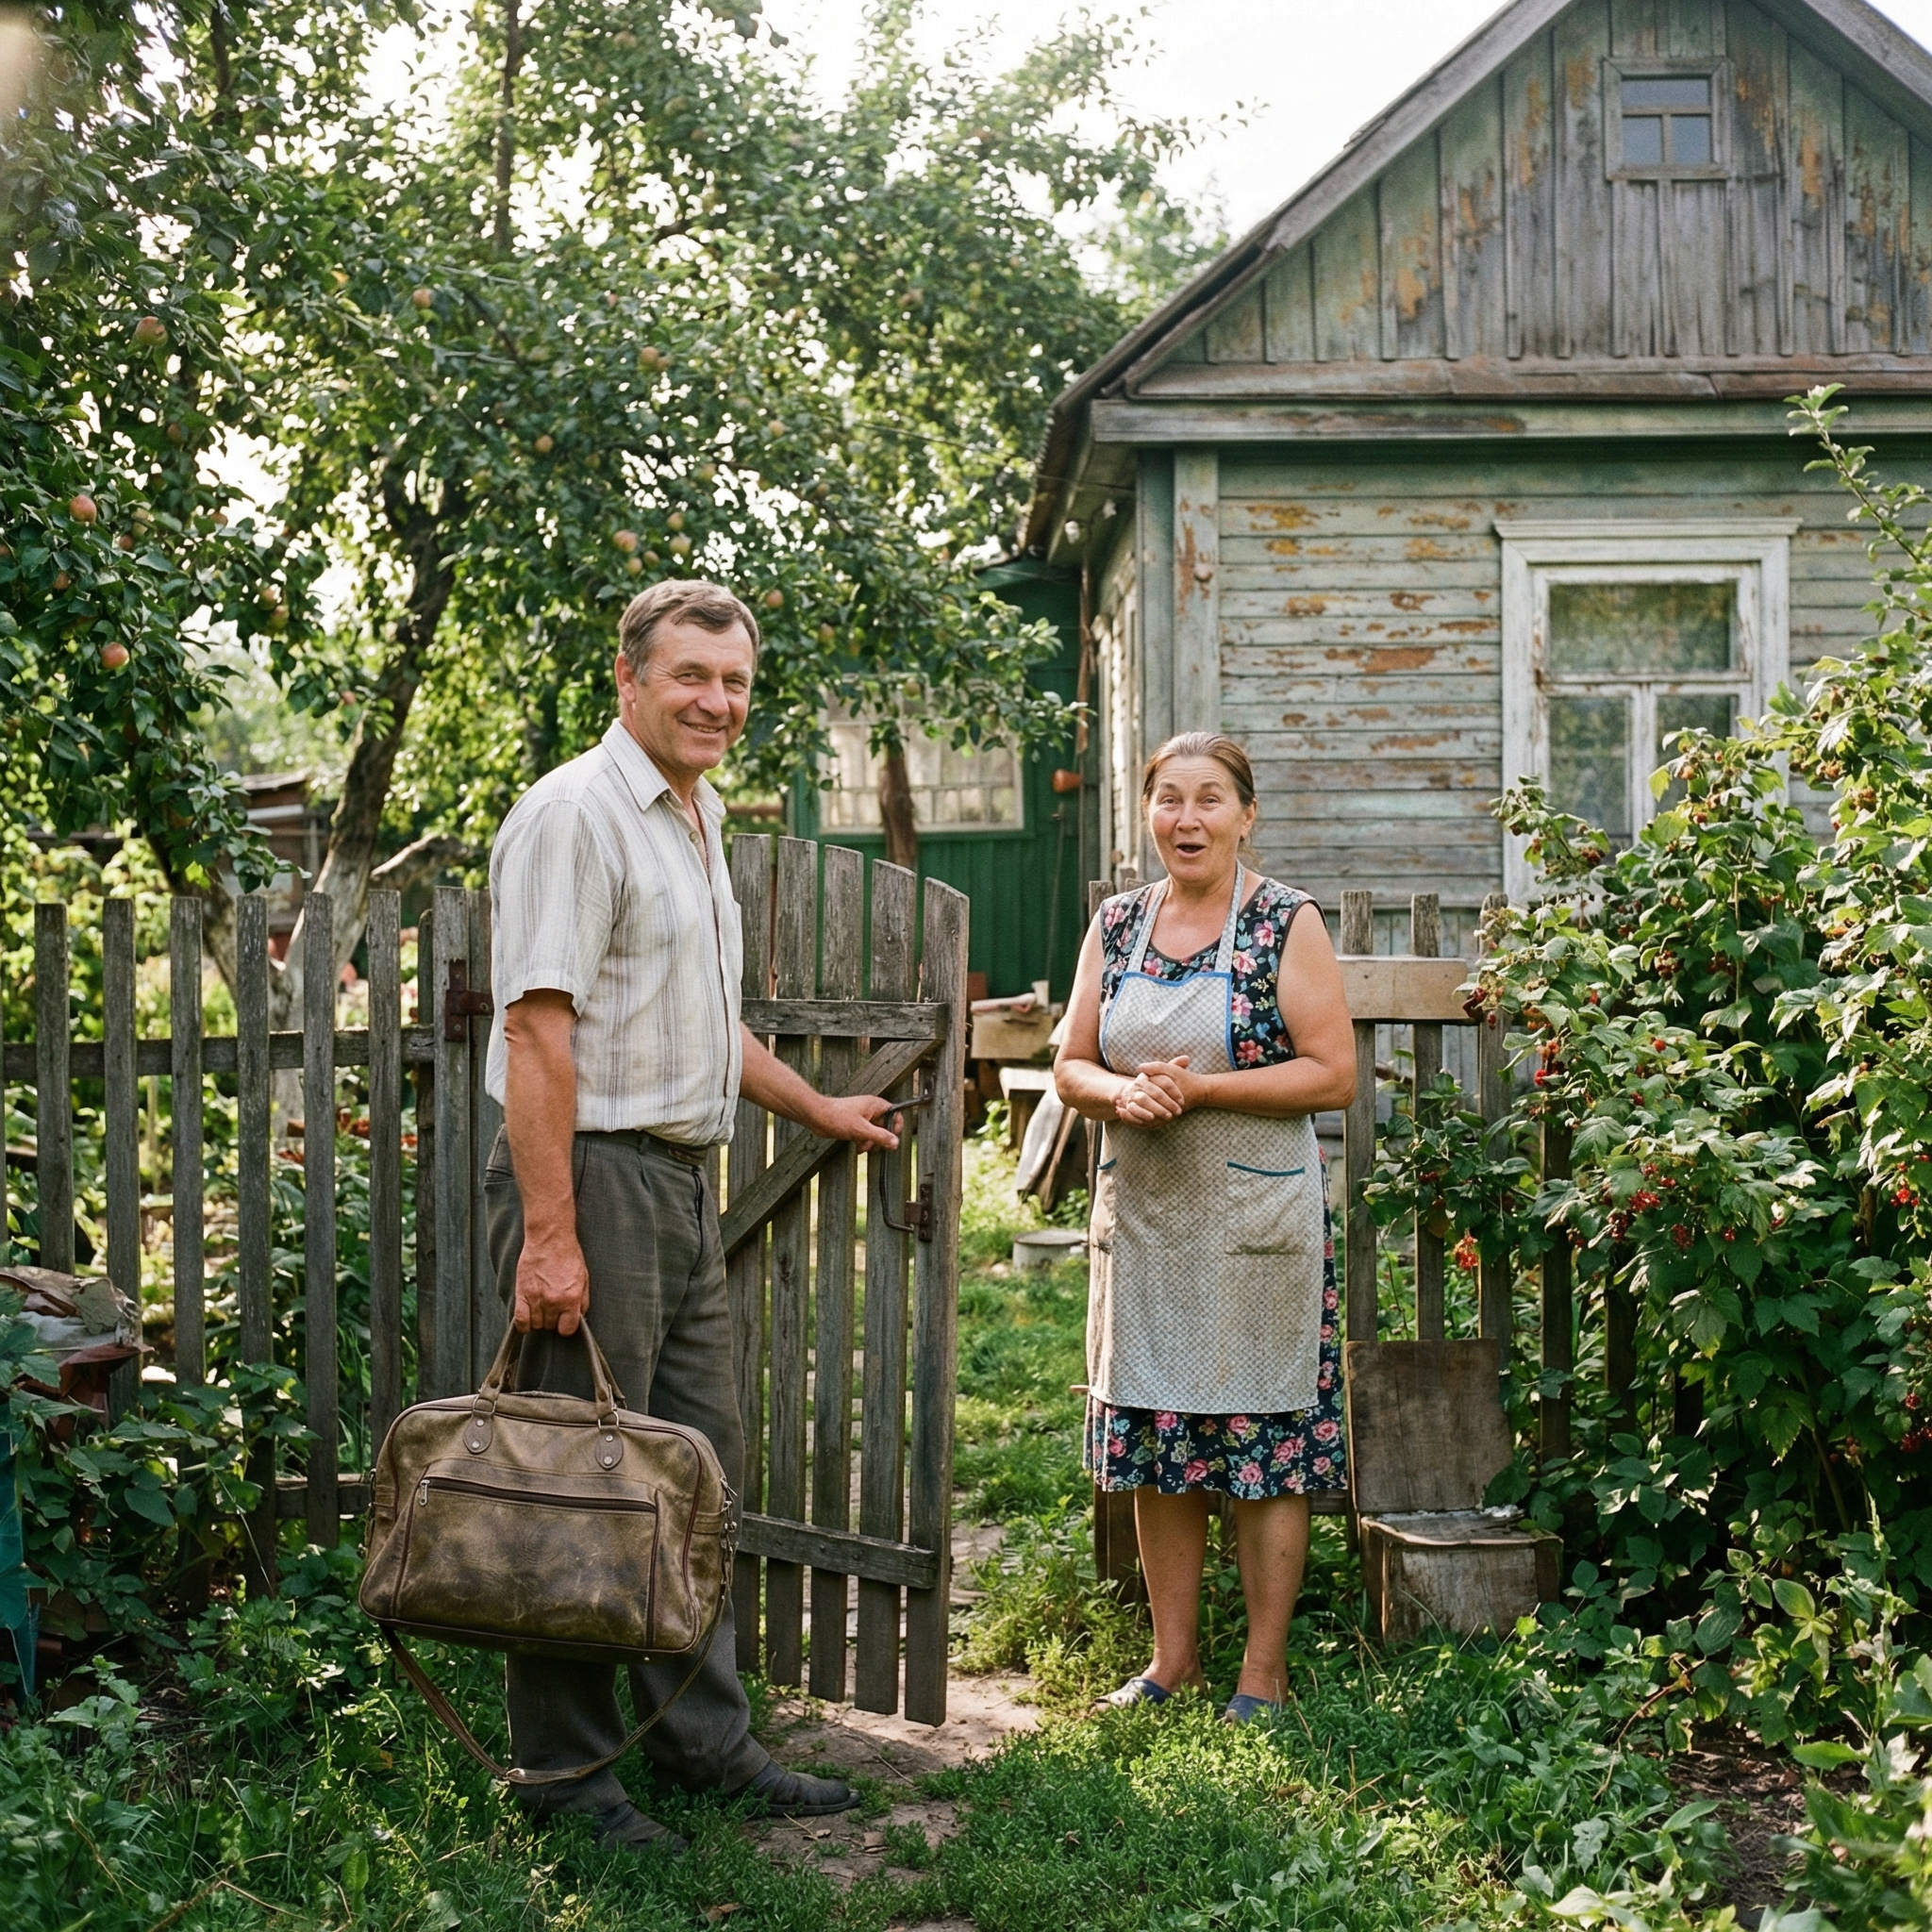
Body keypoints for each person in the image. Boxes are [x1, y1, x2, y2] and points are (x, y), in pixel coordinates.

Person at [481, 578, 900, 1854]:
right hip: (590, 1177)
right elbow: (536, 1030)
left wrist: (817, 1106)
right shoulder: (575, 816)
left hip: (671, 1181)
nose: (717, 702)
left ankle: (700, 1743)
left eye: (734, 683)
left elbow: (700, 1023)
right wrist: (551, 1235)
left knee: (690, 1478)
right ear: (628, 679)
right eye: (690, 677)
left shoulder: (695, 814)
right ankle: (564, 1780)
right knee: (577, 1482)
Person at [1054, 731, 1357, 1723]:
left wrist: (1203, 1091)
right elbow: (1070, 1063)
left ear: (1245, 815)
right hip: (1147, 1221)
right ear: (1149, 813)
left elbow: (1332, 1073)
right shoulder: (1117, 923)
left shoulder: (1283, 921)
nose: (1187, 819)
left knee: (1265, 1444)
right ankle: (1170, 1660)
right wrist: (1118, 1092)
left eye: (1209, 799)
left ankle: (1261, 1673)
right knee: (1158, 1435)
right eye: (1169, 799)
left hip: (1254, 1226)